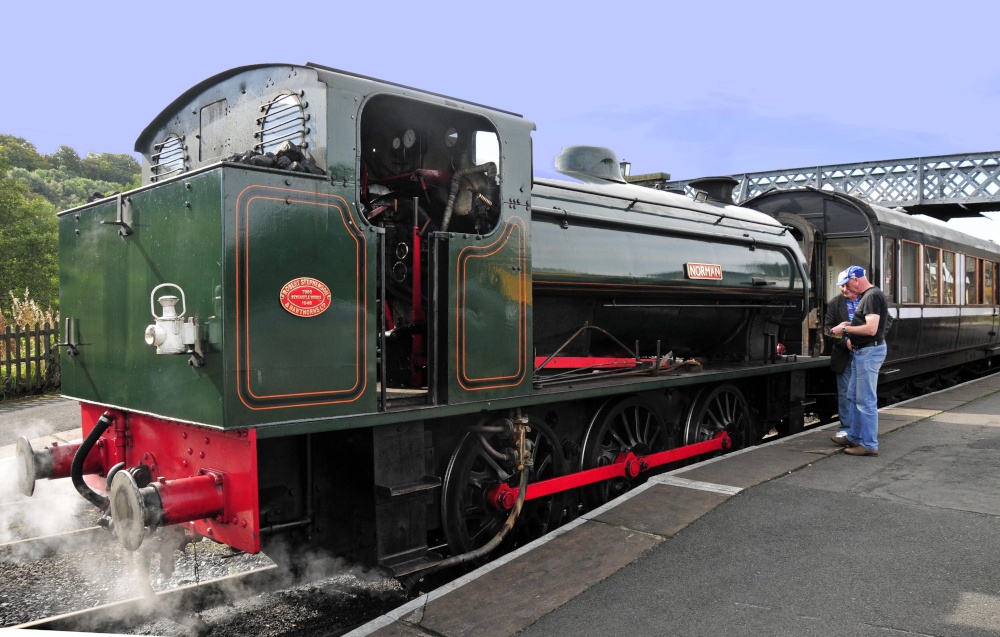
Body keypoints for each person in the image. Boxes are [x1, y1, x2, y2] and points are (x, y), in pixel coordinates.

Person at [830, 265, 888, 456]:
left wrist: (845, 330)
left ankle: (869, 444)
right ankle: (854, 436)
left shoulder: (871, 296)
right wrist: (847, 324)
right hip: (863, 352)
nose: (845, 289)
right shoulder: (870, 295)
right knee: (853, 397)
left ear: (855, 280)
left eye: (846, 284)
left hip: (868, 352)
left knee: (865, 400)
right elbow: (865, 324)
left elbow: (871, 329)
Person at [825, 270, 859, 443]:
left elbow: (886, 320)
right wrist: (845, 341)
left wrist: (875, 336)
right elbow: (828, 330)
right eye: (841, 286)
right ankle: (846, 429)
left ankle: (861, 430)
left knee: (863, 394)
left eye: (847, 285)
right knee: (845, 393)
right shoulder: (834, 304)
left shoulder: (868, 299)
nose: (844, 289)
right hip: (844, 355)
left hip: (864, 353)